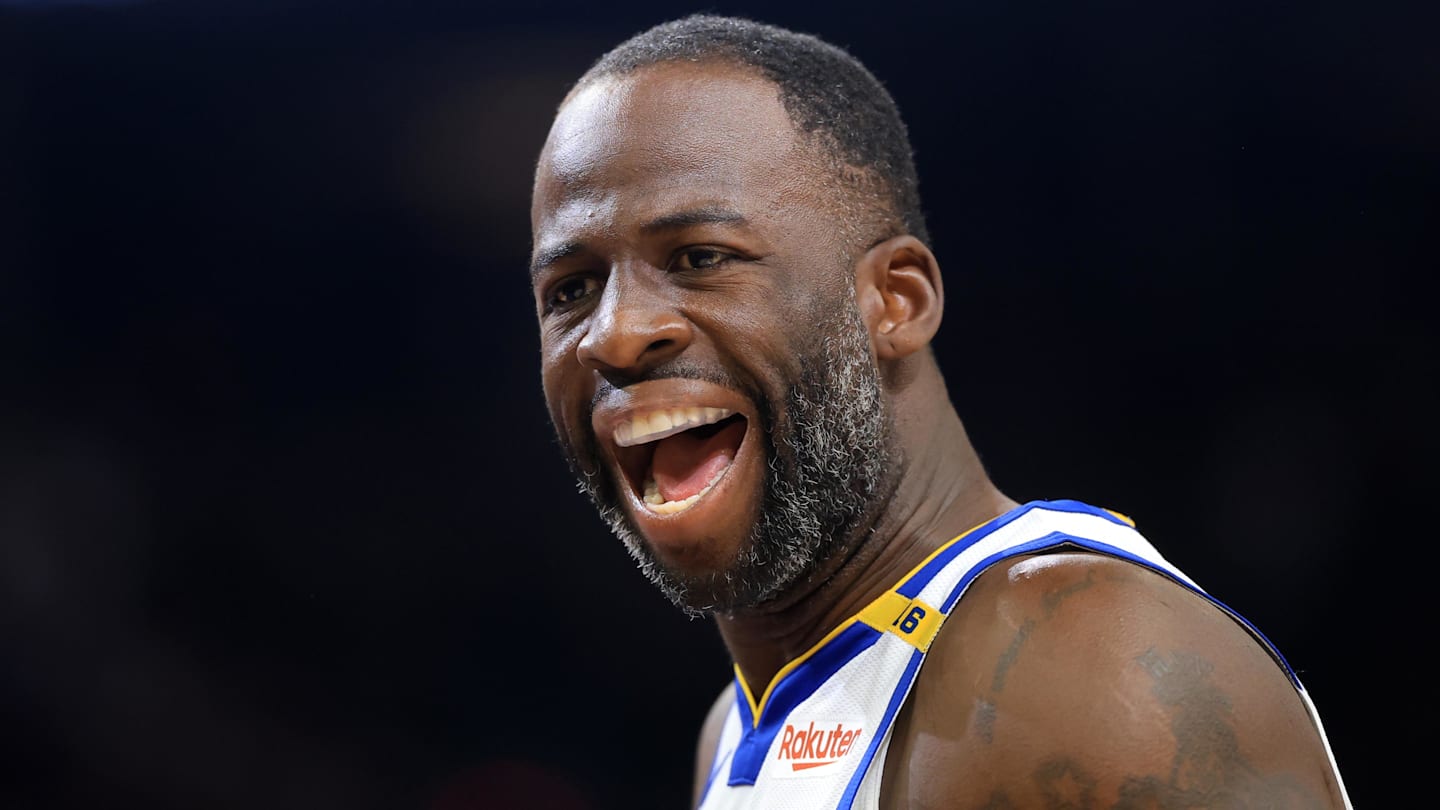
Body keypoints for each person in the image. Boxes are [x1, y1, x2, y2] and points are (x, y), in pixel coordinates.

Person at [527, 14, 1352, 810]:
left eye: (700, 257)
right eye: (570, 290)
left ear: (895, 300)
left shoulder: (1087, 669)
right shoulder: (742, 722)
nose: (616, 334)